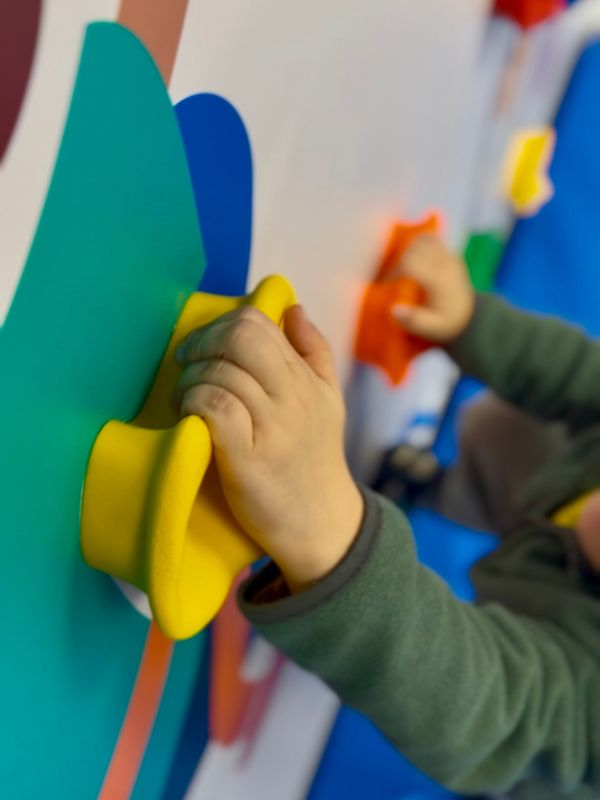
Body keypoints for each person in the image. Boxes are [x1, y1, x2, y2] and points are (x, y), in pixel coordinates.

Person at [172, 236, 600, 799]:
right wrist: (470, 321)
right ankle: (437, 485)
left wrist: (329, 535)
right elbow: (580, 374)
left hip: (543, 731)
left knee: (491, 748)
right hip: (552, 513)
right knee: (505, 433)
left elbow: (493, 710)